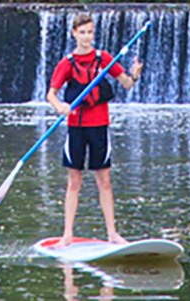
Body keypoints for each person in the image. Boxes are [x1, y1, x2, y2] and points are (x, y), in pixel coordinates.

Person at [45, 13, 145, 247]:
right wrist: (60, 107)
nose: (86, 37)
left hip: (99, 126)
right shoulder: (67, 63)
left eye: (90, 32)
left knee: (105, 180)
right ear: (74, 34)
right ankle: (67, 234)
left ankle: (112, 233)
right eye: (82, 32)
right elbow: (51, 94)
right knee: (74, 182)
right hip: (76, 128)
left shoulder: (105, 59)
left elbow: (127, 83)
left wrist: (136, 74)